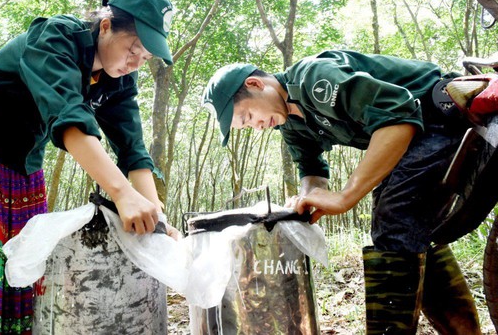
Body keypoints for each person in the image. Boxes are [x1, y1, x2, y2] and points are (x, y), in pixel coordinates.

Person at [0, 0, 179, 335]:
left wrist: (158, 222)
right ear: (105, 28)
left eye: (145, 57)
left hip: (24, 154)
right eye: (133, 48)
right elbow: (70, 121)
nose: (135, 62)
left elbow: (133, 149)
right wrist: (121, 193)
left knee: (26, 260)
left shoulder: (119, 81)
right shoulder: (56, 36)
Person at [202, 50, 481, 334]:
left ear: (255, 84)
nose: (257, 126)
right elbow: (311, 169)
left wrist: (345, 196)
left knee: (394, 216)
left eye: (249, 115)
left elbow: (398, 117)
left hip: (443, 114)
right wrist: (307, 197)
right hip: (416, 135)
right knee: (404, 227)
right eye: (247, 126)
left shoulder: (315, 79)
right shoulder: (292, 123)